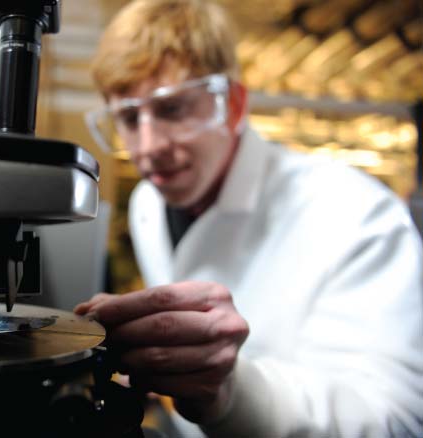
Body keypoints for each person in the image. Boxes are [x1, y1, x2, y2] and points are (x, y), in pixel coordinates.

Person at [75, 0, 423, 436]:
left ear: (234, 105)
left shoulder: (358, 215)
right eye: (128, 117)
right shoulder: (149, 201)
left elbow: (398, 419)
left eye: (172, 108)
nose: (147, 147)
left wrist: (231, 391)